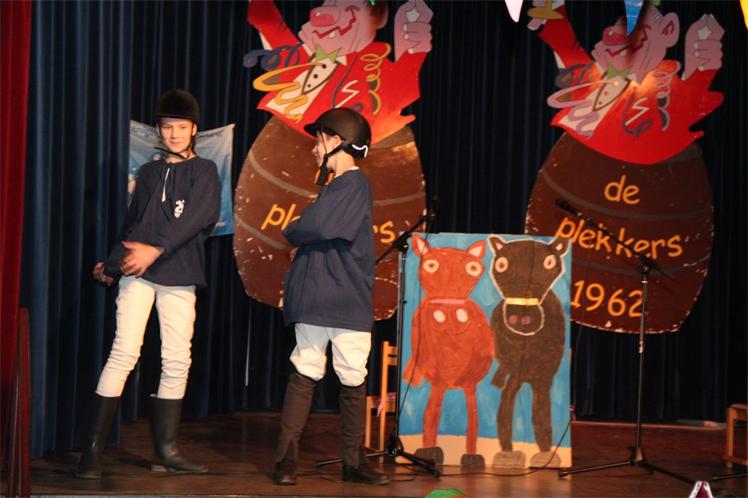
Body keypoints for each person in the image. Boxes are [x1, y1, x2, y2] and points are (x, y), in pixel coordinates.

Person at [75, 89, 221, 479]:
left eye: (181, 127)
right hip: (138, 272)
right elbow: (132, 225)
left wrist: (156, 251)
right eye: (167, 127)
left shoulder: (205, 170)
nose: (174, 134)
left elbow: (200, 217)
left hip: (179, 273)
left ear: (194, 129)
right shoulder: (149, 172)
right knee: (124, 352)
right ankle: (91, 452)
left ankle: (166, 451)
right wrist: (111, 264)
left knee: (176, 358)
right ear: (159, 130)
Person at [272, 107, 388, 486]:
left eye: (319, 140)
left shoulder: (354, 183)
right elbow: (321, 229)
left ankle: (349, 462)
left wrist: (296, 229)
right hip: (323, 295)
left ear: (337, 141)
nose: (314, 149)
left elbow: (319, 226)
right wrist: (304, 233)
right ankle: (288, 461)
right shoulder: (336, 187)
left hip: (343, 297)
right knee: (308, 370)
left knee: (348, 375)